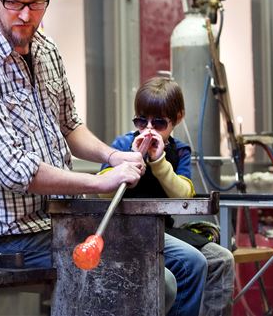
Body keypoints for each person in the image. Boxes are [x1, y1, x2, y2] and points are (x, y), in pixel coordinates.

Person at [0, 0, 178, 312]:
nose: (25, 15)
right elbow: (14, 170)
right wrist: (98, 182)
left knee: (194, 264)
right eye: (13, 3)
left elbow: (71, 126)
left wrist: (111, 155)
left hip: (66, 219)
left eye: (36, 4)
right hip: (19, 237)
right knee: (155, 280)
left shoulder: (46, 49)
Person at [101, 76, 235, 316]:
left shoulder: (179, 150)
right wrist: (129, 163)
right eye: (142, 121)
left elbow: (184, 194)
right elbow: (102, 191)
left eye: (159, 123)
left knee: (221, 260)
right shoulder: (122, 145)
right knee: (192, 262)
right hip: (127, 230)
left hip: (163, 229)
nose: (149, 129)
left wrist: (159, 162)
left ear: (178, 118)